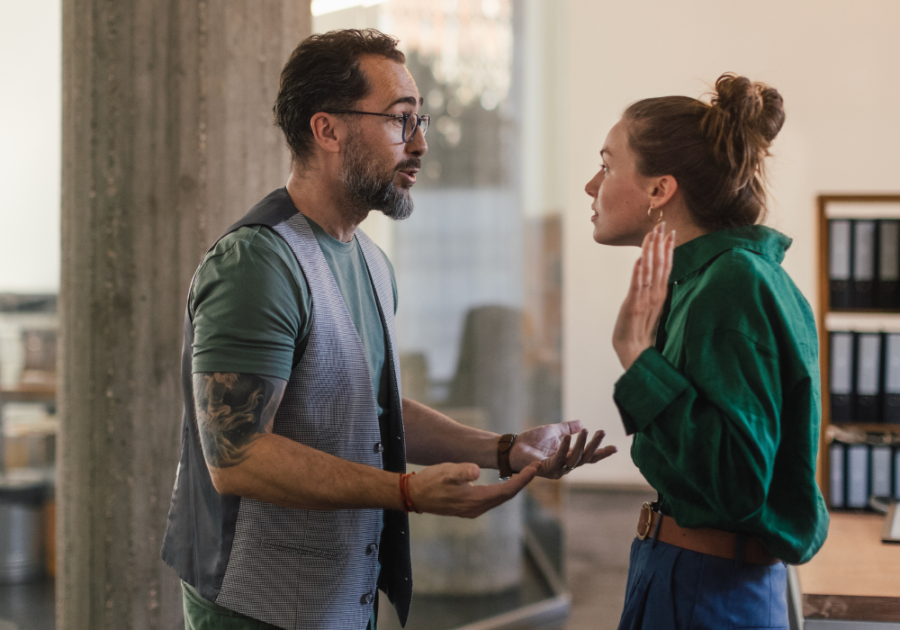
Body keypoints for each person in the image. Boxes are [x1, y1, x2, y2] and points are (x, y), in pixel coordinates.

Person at [161, 29, 617, 630]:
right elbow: (237, 456)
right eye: (402, 120)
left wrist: (502, 449)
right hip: (255, 607)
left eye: (419, 119)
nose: (422, 142)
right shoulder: (256, 264)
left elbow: (365, 408)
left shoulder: (370, 261)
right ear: (327, 130)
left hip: (341, 599)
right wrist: (406, 491)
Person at [584, 73, 829, 629]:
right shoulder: (708, 281)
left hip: (708, 588)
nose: (590, 184)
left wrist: (637, 358)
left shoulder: (733, 283)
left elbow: (738, 482)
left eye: (607, 163)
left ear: (659, 189)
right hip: (683, 571)